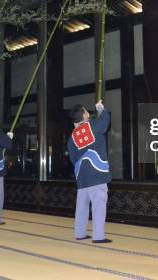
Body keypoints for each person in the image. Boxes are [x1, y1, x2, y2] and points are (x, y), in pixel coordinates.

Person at [67, 100, 112, 243]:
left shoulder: (72, 136)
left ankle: (80, 233)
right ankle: (98, 236)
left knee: (82, 206)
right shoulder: (92, 125)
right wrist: (102, 110)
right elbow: (105, 123)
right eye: (86, 111)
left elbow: (73, 158)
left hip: (82, 176)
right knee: (98, 205)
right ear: (85, 115)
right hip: (97, 174)